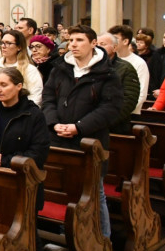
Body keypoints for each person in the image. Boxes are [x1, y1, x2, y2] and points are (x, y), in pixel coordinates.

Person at [42, 25, 122, 239]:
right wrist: (53, 123)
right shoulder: (60, 68)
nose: (73, 45)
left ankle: (104, 241)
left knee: (94, 192)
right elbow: (48, 98)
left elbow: (110, 108)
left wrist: (79, 127)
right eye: (71, 40)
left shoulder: (107, 74)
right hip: (59, 137)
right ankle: (68, 237)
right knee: (65, 192)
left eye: (79, 40)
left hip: (90, 141)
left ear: (93, 43)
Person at [0, 67, 50, 251]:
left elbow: (38, 152)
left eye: (4, 85)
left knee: (26, 233)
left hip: (22, 184)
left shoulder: (33, 115)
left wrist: (5, 161)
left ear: (18, 86)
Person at [0, 30, 44, 108]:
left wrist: (22, 112)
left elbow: (36, 96)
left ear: (19, 47)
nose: (3, 46)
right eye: (2, 43)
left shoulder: (30, 70)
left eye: (8, 43)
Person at [97, 33, 141, 134]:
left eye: (103, 44)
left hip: (114, 126)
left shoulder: (125, 68)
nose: (98, 47)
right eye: (97, 44)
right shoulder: (90, 66)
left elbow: (129, 100)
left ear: (115, 47)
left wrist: (106, 121)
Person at [109, 25, 149, 116]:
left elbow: (141, 94)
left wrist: (122, 112)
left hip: (130, 114)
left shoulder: (139, 63)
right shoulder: (108, 61)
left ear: (125, 41)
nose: (112, 42)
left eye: (115, 39)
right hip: (109, 113)